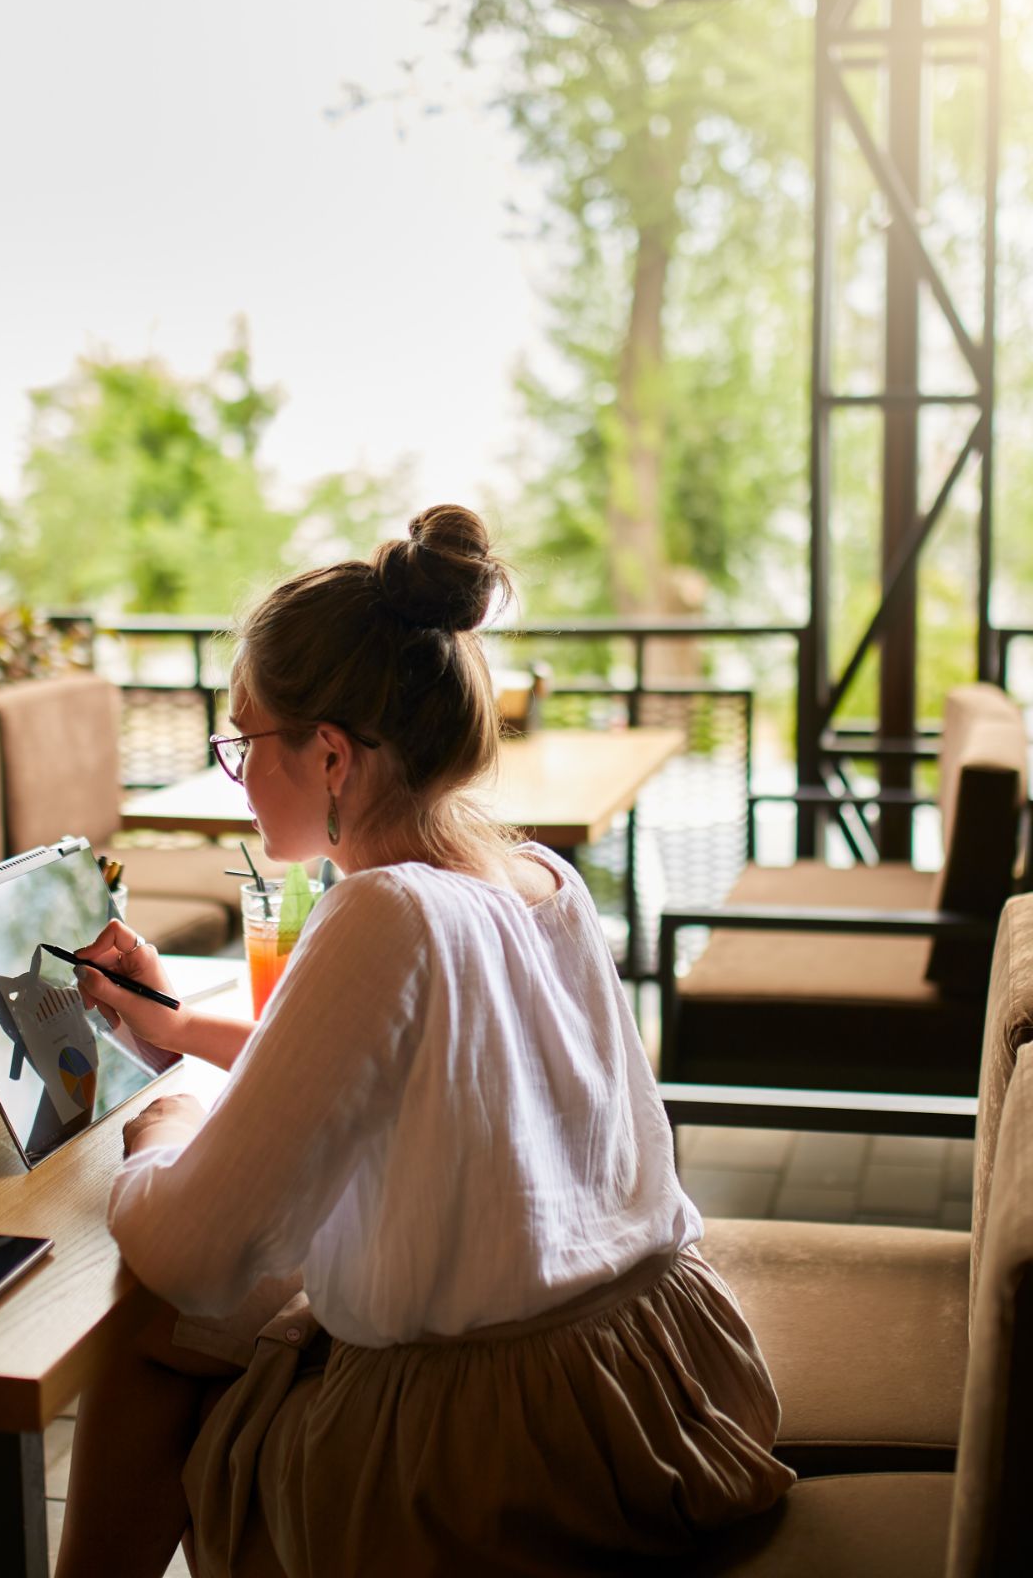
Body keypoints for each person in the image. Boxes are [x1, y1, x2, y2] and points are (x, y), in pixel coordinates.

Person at [55, 506, 792, 1578]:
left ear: (332, 754)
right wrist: (170, 1024)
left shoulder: (382, 912)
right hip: (659, 1376)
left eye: (241, 739)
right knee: (220, 1312)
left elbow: (194, 1248)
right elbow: (392, 1065)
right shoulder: (538, 880)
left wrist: (160, 1128)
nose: (235, 769)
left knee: (158, 1314)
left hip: (495, 1454)